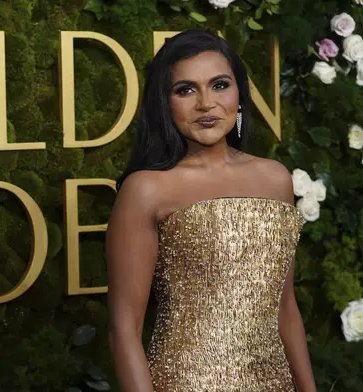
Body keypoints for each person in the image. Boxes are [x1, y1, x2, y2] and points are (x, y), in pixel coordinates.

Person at [105, 29, 317, 391]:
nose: (206, 103)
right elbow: (123, 330)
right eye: (185, 90)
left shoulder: (275, 179)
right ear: (164, 103)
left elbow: (285, 306)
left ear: (239, 94)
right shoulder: (145, 189)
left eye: (219, 85)